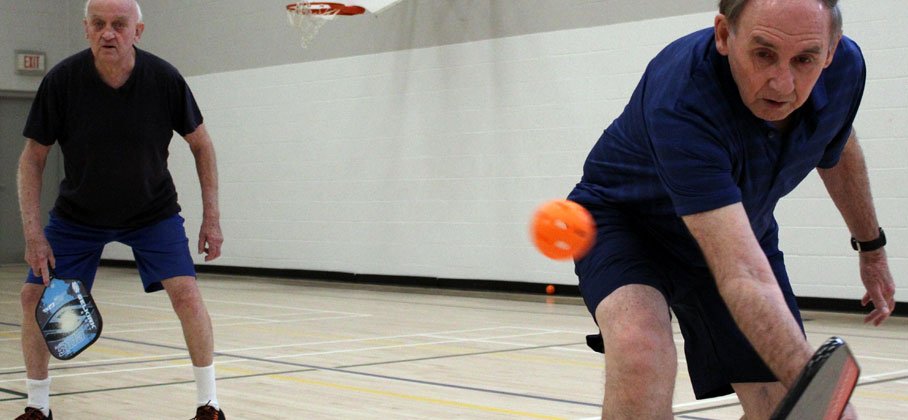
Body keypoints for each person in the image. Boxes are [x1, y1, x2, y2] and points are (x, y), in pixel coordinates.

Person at [567, 0, 896, 418]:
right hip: (626, 225)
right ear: (724, 34)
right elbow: (741, 272)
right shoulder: (681, 96)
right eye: (763, 54)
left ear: (831, 51)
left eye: (805, 60)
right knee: (640, 351)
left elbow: (836, 145)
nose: (782, 83)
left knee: (776, 404)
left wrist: (872, 247)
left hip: (738, 228)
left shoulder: (845, 71)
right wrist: (819, 396)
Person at [16, 0, 225, 419]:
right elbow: (32, 158)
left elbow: (201, 144)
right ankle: (37, 407)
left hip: (152, 212)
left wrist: (212, 218)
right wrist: (33, 234)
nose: (108, 33)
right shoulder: (62, 81)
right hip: (78, 216)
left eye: (118, 24)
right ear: (86, 29)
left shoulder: (163, 79)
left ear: (138, 32)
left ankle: (209, 404)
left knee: (186, 294)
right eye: (98, 24)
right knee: (33, 296)